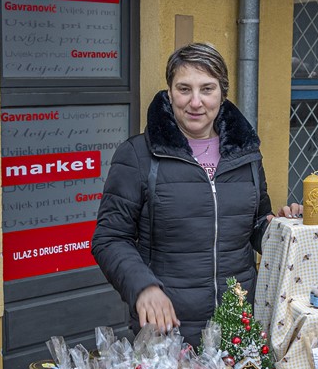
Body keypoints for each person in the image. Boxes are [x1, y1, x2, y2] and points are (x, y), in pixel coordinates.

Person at [91, 42, 300, 346]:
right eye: (184, 89)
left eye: (207, 89)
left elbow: (254, 224)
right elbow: (109, 238)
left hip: (238, 325)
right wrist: (144, 288)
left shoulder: (246, 154)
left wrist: (280, 228)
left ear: (222, 94)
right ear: (169, 92)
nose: (196, 102)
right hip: (170, 330)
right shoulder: (138, 155)